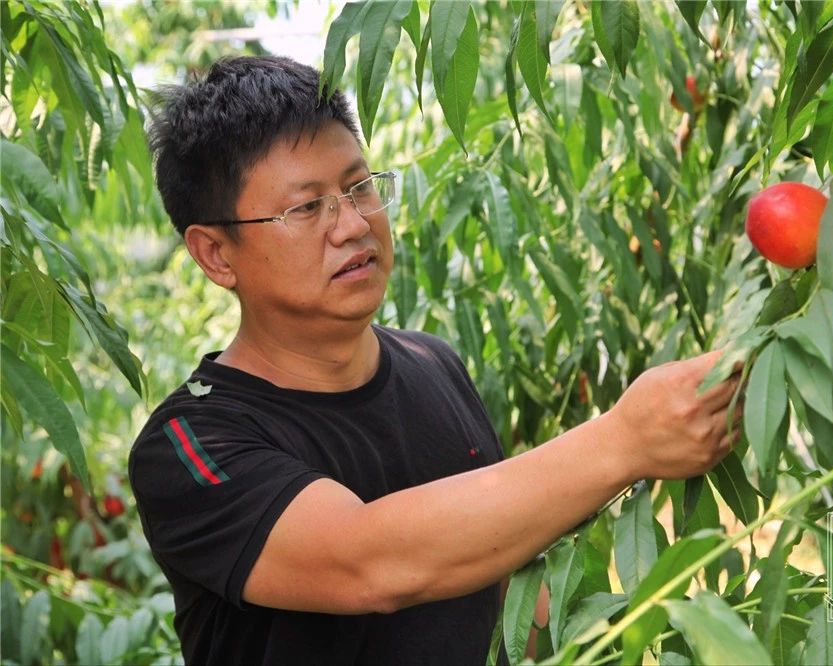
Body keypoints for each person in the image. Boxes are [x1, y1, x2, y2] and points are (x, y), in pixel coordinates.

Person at [129, 55, 741, 666]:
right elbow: (367, 562)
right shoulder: (190, 445)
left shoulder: (432, 362)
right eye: (307, 208)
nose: (354, 225)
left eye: (360, 187)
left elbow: (502, 582)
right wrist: (625, 440)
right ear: (216, 254)